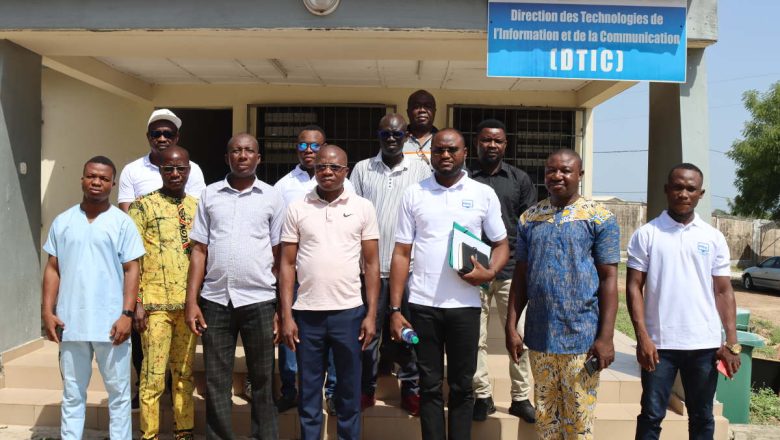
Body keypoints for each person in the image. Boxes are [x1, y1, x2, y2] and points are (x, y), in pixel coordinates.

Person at [390, 129, 510, 440]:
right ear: (430, 154)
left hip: (466, 308)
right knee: (428, 386)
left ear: (465, 152)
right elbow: (402, 253)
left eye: (452, 150)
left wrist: (491, 272)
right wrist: (394, 308)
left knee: (461, 386)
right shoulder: (414, 194)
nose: (445, 155)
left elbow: (501, 244)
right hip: (423, 306)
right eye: (439, 150)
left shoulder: (482, 194)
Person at [506, 148, 620, 440]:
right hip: (540, 337)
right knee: (546, 419)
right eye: (551, 170)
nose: (557, 176)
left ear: (579, 175)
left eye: (565, 170)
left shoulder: (600, 218)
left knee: (579, 422)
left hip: (581, 338)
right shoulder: (530, 218)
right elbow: (520, 277)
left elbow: (609, 279)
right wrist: (511, 326)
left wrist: (605, 337)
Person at [627, 163, 741, 440]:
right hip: (659, 345)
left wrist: (732, 342)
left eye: (691, 188)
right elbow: (633, 287)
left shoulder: (713, 237)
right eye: (677, 187)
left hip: (703, 345)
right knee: (651, 416)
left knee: (702, 417)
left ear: (700, 194)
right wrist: (642, 337)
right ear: (667, 190)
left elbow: (724, 291)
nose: (683, 193)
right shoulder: (647, 234)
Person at [184, 133, 284, 440]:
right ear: (227, 158)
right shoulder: (210, 195)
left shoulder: (272, 197)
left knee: (264, 380)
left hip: (260, 300)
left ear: (258, 159)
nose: (242, 155)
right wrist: (192, 302)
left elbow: (280, 256)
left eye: (249, 151)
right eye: (236, 151)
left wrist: (280, 309)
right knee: (216, 381)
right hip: (216, 301)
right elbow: (199, 250)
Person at [280, 145, 380, 440]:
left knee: (349, 390)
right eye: (321, 166)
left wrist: (371, 314)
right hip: (307, 314)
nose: (327, 172)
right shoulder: (298, 208)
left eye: (334, 167)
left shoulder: (363, 207)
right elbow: (286, 264)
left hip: (349, 313)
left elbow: (372, 264)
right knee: (309, 390)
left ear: (345, 171)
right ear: (314, 170)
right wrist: (286, 315)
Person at [41, 156, 145, 440]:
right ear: (82, 179)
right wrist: (48, 312)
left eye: (103, 178)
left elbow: (131, 269)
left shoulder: (122, 223)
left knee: (119, 395)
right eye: (91, 176)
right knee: (73, 394)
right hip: (71, 323)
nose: (96, 182)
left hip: (112, 325)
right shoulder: (63, 221)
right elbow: (53, 268)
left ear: (112, 183)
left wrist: (126, 314)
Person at [118, 108, 206, 409]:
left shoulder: (191, 169)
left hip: (183, 282)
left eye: (168, 133)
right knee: (144, 352)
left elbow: (196, 219)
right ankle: (145, 392)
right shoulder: (132, 171)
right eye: (156, 133)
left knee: (182, 364)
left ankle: (175, 402)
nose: (162, 138)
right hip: (150, 277)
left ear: (177, 137)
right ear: (148, 137)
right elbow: (129, 224)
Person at [350, 113, 431, 415]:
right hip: (367, 270)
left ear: (407, 136)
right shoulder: (361, 170)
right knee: (367, 334)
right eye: (386, 135)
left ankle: (411, 389)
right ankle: (365, 390)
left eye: (398, 134)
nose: (392, 139)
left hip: (408, 271)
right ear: (379, 136)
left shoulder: (422, 169)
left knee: (409, 334)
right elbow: (353, 212)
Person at [273, 124, 350, 414]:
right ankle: (291, 389)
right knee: (291, 337)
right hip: (297, 277)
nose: (309, 151)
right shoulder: (283, 186)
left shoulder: (345, 183)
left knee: (331, 341)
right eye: (303, 145)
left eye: (315, 146)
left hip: (334, 279)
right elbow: (279, 236)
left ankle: (331, 392)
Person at [467, 119, 537, 423]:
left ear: (505, 145)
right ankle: (481, 395)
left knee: (518, 336)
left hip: (511, 271)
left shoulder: (520, 180)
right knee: (475, 337)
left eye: (497, 141)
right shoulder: (465, 179)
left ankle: (521, 397)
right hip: (473, 271)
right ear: (476, 144)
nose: (491, 145)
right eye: (485, 140)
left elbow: (530, 225)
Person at [128, 146, 198, 440]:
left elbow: (203, 255)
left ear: (188, 170)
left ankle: (184, 433)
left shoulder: (197, 206)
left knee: (184, 376)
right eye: (169, 168)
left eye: (180, 168)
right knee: (152, 377)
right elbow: (131, 258)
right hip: (154, 305)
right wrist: (138, 303)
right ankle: (150, 435)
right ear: (160, 171)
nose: (175, 174)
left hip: (187, 306)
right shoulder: (143, 206)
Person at [403, 90, 438, 165]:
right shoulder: (397, 141)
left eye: (428, 106)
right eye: (416, 106)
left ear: (434, 111)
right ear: (408, 112)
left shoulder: (444, 141)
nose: (422, 110)